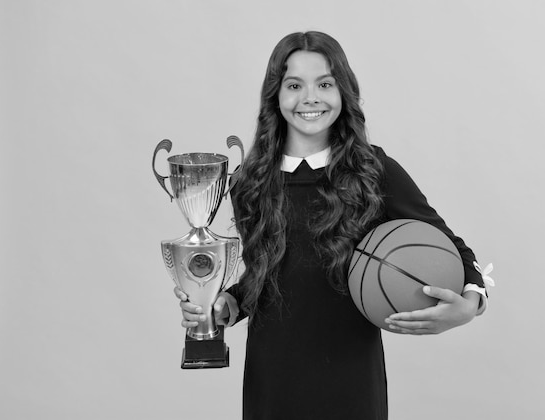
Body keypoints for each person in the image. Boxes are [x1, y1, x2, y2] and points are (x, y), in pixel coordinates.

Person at [174, 31, 488, 420]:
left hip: (351, 381)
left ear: (344, 92)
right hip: (272, 380)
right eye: (294, 85)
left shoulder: (375, 171)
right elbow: (263, 277)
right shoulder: (249, 182)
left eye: (324, 84)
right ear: (275, 95)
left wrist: (470, 304)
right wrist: (226, 304)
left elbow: (453, 247)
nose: (310, 98)